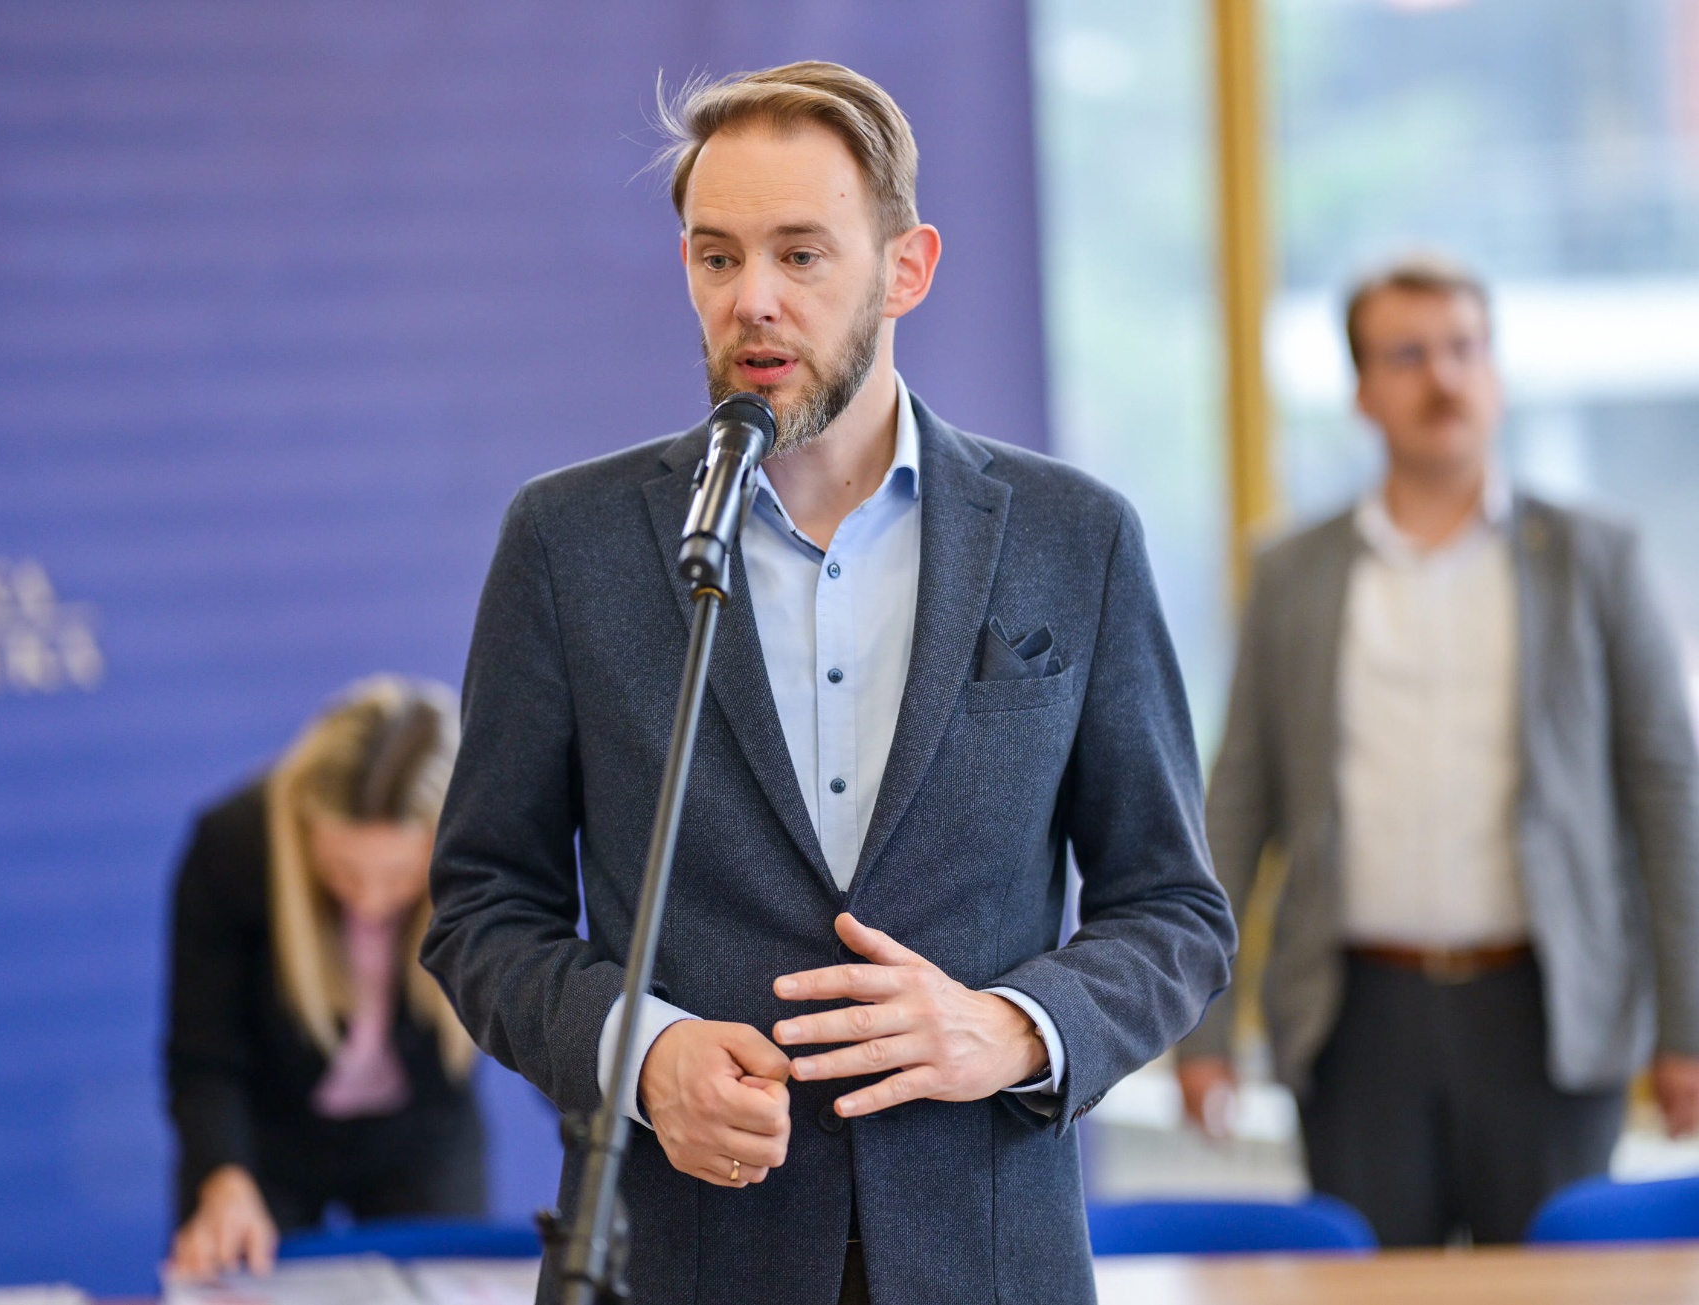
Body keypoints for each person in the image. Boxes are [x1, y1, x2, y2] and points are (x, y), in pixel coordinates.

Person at [423, 62, 1235, 1305]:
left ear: (907, 269)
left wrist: (1012, 1028)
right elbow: (483, 908)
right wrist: (646, 1056)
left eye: (801, 255)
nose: (752, 299)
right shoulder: (567, 542)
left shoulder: (1077, 539)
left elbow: (1175, 911)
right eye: (717, 257)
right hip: (685, 1257)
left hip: (987, 1261)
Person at [1177, 254, 1699, 1245]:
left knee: (1555, 1288)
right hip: (1355, 1016)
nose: (1443, 378)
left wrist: (1689, 1027)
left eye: (1464, 349)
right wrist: (1200, 1029)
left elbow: (1667, 794)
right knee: (1372, 1286)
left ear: (1495, 370)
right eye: (1408, 356)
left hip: (1549, 1011)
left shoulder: (1595, 556)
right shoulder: (1292, 573)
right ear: (1363, 391)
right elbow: (1238, 802)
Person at [163, 676, 485, 1278]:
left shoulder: (485, 848)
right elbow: (203, 1056)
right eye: (342, 872)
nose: (369, 902)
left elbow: (544, 1003)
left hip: (422, 1129)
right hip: (263, 1136)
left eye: (399, 878)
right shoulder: (233, 844)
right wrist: (223, 1177)